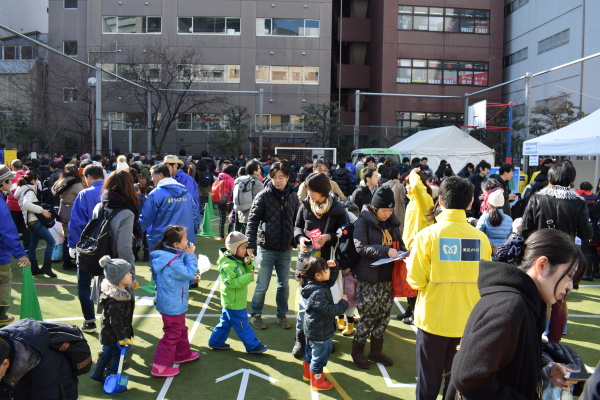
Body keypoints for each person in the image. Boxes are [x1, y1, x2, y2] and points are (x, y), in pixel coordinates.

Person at [445, 229, 584, 399]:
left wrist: (544, 366)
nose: (570, 286)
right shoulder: (510, 306)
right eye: (569, 275)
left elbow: (513, 356)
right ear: (542, 265)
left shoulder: (526, 302)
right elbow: (469, 376)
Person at [407, 176, 493, 400]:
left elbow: (415, 280)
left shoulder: (427, 235)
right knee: (454, 385)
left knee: (427, 382)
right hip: (467, 323)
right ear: (470, 203)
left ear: (441, 202)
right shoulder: (481, 239)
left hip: (433, 319)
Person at [519, 161, 592, 344]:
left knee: (534, 296)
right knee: (559, 299)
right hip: (567, 257)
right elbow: (586, 233)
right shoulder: (578, 202)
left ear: (551, 176)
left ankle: (532, 338)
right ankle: (554, 342)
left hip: (539, 255)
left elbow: (525, 230)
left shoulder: (537, 198)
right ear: (571, 179)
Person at [351, 186, 407, 369]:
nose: (388, 213)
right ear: (375, 207)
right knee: (368, 315)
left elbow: (399, 243)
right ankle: (357, 352)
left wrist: (403, 252)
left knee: (383, 315)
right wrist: (386, 250)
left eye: (390, 210)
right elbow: (361, 248)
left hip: (388, 277)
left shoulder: (392, 223)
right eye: (384, 210)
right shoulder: (363, 222)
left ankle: (376, 350)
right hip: (369, 278)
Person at [292, 172, 347, 356]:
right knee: (303, 302)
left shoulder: (337, 208)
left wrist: (329, 236)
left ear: (323, 191)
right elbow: (298, 225)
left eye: (313, 191)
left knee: (326, 299)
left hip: (326, 261)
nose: (310, 195)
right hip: (306, 260)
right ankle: (300, 339)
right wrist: (300, 238)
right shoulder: (306, 205)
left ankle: (326, 339)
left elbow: (346, 230)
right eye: (308, 191)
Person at [247, 162, 299, 330]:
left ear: (287, 178)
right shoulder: (263, 196)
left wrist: (293, 242)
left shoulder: (293, 195)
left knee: (284, 285)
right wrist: (250, 244)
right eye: (274, 177)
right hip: (266, 247)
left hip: (285, 249)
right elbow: (253, 220)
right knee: (262, 285)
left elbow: (297, 220)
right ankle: (255, 314)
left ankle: (282, 315)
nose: (277, 181)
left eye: (281, 177)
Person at [150, 225, 201, 378]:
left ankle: (182, 354)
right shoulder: (172, 261)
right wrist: (191, 256)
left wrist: (190, 275)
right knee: (172, 335)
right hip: (172, 305)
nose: (187, 241)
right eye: (185, 239)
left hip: (174, 302)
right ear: (175, 244)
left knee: (180, 330)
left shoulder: (170, 254)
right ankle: (159, 366)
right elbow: (187, 271)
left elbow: (185, 274)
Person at [208, 232, 268, 354]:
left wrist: (248, 263)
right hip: (233, 301)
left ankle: (216, 341)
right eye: (243, 248)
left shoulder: (235, 259)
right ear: (234, 249)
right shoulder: (228, 264)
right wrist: (247, 277)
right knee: (242, 325)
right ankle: (252, 345)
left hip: (234, 300)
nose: (245, 250)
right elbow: (231, 283)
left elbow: (245, 271)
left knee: (226, 322)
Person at [299, 257, 348, 391]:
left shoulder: (314, 284)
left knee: (310, 352)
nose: (328, 271)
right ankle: (317, 381)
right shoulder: (318, 292)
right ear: (317, 275)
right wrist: (343, 303)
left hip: (312, 328)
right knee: (320, 357)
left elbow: (329, 280)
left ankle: (307, 374)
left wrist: (333, 268)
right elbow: (329, 310)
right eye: (326, 270)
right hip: (320, 331)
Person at [0, 319, 79, 399]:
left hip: (56, 392)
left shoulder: (41, 365)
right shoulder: (4, 343)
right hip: (24, 383)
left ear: (5, 363)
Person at [68, 164, 105, 332]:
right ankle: (109, 320)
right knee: (108, 284)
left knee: (84, 284)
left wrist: (72, 245)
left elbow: (77, 223)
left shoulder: (84, 194)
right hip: (108, 247)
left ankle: (90, 321)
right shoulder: (113, 193)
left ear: (88, 177)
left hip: (87, 247)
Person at [140, 163, 200, 260]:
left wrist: (137, 230)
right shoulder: (185, 192)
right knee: (185, 268)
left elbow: (147, 217)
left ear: (160, 175)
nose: (151, 179)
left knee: (162, 269)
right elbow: (195, 215)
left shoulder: (156, 194)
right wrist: (193, 232)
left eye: (152, 176)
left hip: (162, 239)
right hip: (184, 239)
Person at [90, 256, 135, 383]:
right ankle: (112, 380)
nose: (130, 274)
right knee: (118, 357)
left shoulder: (119, 292)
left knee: (108, 353)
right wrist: (122, 339)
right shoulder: (117, 301)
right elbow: (116, 322)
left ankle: (97, 374)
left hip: (109, 334)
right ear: (118, 278)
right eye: (127, 273)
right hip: (114, 335)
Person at [0, 165, 30, 325]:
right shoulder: (1, 205)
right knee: (4, 279)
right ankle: (1, 314)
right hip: (0, 255)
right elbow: (7, 231)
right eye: (9, 180)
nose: (11, 182)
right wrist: (20, 254)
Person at [13, 171, 57, 278]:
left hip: (29, 222)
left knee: (33, 246)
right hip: (35, 221)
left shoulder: (21, 190)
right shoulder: (29, 191)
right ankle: (46, 267)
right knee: (51, 242)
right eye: (37, 180)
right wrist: (41, 210)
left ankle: (34, 268)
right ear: (33, 181)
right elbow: (27, 204)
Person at [51, 164, 84, 270]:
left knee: (66, 236)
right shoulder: (76, 183)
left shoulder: (60, 181)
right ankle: (73, 259)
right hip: (73, 211)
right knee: (76, 235)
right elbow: (82, 194)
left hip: (63, 210)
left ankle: (66, 261)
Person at [233, 160, 264, 235]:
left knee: (245, 234)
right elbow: (261, 200)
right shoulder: (257, 183)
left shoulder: (243, 181)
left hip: (242, 212)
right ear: (254, 171)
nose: (260, 170)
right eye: (259, 168)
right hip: (253, 215)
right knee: (250, 237)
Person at [6, 159, 29, 249]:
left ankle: (13, 245)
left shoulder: (10, 176)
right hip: (25, 203)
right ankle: (27, 246)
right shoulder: (28, 175)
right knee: (25, 226)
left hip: (12, 204)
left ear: (13, 167)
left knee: (12, 226)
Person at [216, 164, 236, 242]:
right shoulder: (231, 179)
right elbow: (233, 190)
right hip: (229, 201)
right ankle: (229, 234)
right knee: (231, 218)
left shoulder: (219, 178)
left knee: (222, 218)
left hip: (220, 200)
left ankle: (221, 236)